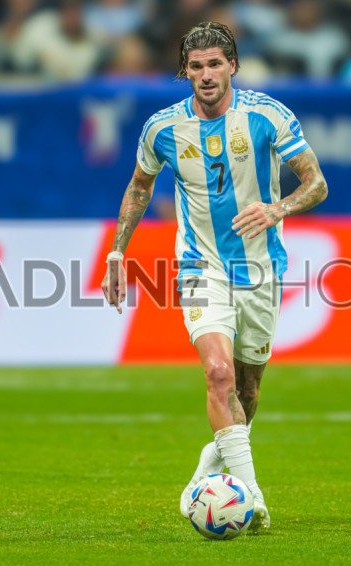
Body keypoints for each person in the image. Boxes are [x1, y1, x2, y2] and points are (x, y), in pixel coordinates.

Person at [100, 21, 328, 531]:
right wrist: (117, 251)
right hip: (200, 265)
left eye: (215, 64)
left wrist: (277, 208)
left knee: (246, 390)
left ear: (233, 66)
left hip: (260, 267)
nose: (205, 75)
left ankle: (214, 460)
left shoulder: (267, 115)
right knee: (218, 374)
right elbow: (139, 186)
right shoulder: (162, 128)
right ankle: (251, 497)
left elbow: (316, 183)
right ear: (185, 71)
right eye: (196, 66)